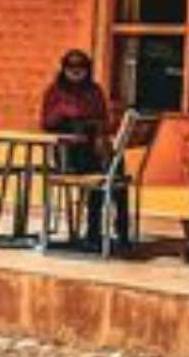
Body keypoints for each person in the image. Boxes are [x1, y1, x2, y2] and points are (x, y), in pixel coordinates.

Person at [40, 50, 126, 247]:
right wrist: (65, 112)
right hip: (67, 153)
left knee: (116, 168)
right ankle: (93, 231)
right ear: (64, 69)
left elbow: (104, 120)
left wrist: (94, 127)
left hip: (93, 147)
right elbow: (46, 123)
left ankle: (121, 229)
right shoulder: (55, 91)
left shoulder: (94, 91)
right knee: (100, 168)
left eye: (81, 67)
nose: (76, 71)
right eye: (71, 67)